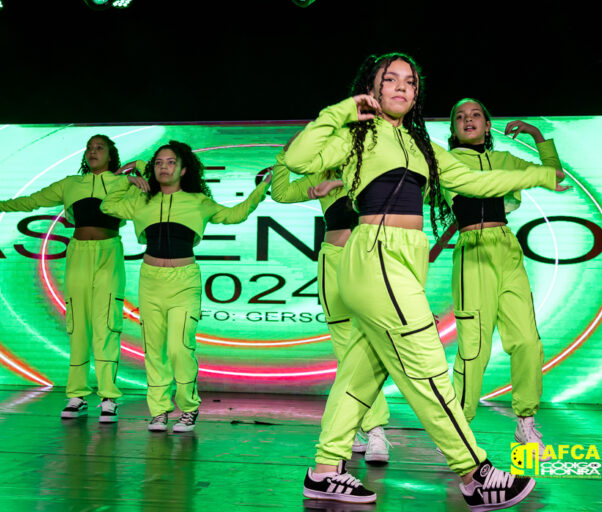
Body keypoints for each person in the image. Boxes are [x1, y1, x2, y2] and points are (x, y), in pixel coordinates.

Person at [283, 53, 567, 508]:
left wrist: (538, 174)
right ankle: (475, 473)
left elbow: (474, 182)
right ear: (372, 88)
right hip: (375, 253)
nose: (401, 87)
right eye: (390, 79)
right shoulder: (355, 136)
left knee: (361, 373)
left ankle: (324, 470)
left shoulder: (422, 146)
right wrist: (341, 111)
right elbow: (297, 159)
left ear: (416, 94)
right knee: (428, 366)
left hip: (406, 258)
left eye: (410, 82)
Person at [101, 140, 271, 433]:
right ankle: (158, 412)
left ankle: (189, 408)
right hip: (150, 280)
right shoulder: (141, 201)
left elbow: (235, 214)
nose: (163, 167)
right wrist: (128, 181)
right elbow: (107, 205)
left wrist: (262, 188)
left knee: (180, 348)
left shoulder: (197, 202)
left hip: (184, 281)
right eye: (158, 163)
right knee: (154, 349)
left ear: (183, 170)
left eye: (170, 162)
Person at [0, 134, 144, 423]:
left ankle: (109, 398)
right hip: (78, 253)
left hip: (109, 253)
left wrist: (136, 168)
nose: (93, 151)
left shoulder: (123, 183)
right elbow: (31, 201)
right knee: (78, 325)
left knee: (107, 324)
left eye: (99, 147)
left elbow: (157, 180)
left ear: (111, 154)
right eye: (89, 147)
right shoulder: (70, 184)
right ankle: (76, 395)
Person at [445, 98, 562, 458]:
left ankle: (525, 421)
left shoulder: (505, 159)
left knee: (527, 339)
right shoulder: (445, 162)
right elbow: (480, 186)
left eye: (475, 115)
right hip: (472, 251)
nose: (468, 120)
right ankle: (458, 429)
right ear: (453, 129)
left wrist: (537, 135)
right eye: (460, 117)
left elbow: (554, 175)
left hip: (506, 248)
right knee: (474, 349)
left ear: (487, 125)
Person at [269, 148, 392, 463]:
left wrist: (337, 184)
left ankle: (372, 429)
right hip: (333, 259)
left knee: (371, 344)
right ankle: (370, 428)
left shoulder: (371, 162)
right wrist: (284, 156)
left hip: (367, 259)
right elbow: (280, 193)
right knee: (344, 350)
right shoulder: (317, 174)